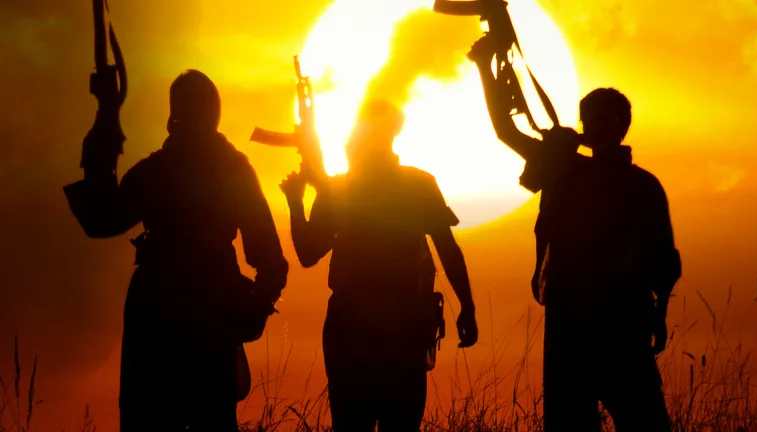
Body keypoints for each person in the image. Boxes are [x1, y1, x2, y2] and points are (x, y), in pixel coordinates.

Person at [468, 36, 682, 432]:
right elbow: (506, 131)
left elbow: (663, 258)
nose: (596, 127)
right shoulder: (565, 167)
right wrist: (485, 67)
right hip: (571, 315)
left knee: (644, 420)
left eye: (605, 120)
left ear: (622, 126)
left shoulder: (639, 185)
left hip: (621, 316)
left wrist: (659, 311)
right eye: (591, 119)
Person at [64, 70, 289, 431]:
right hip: (208, 317)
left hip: (159, 319)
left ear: (173, 117)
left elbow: (101, 220)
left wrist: (105, 117)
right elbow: (272, 262)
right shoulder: (233, 171)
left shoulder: (158, 172)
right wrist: (253, 313)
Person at [279, 99, 479, 431]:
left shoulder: (339, 187)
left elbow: (307, 253)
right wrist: (467, 307)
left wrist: (295, 202)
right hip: (402, 329)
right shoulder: (417, 184)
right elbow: (448, 249)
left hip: (355, 328)